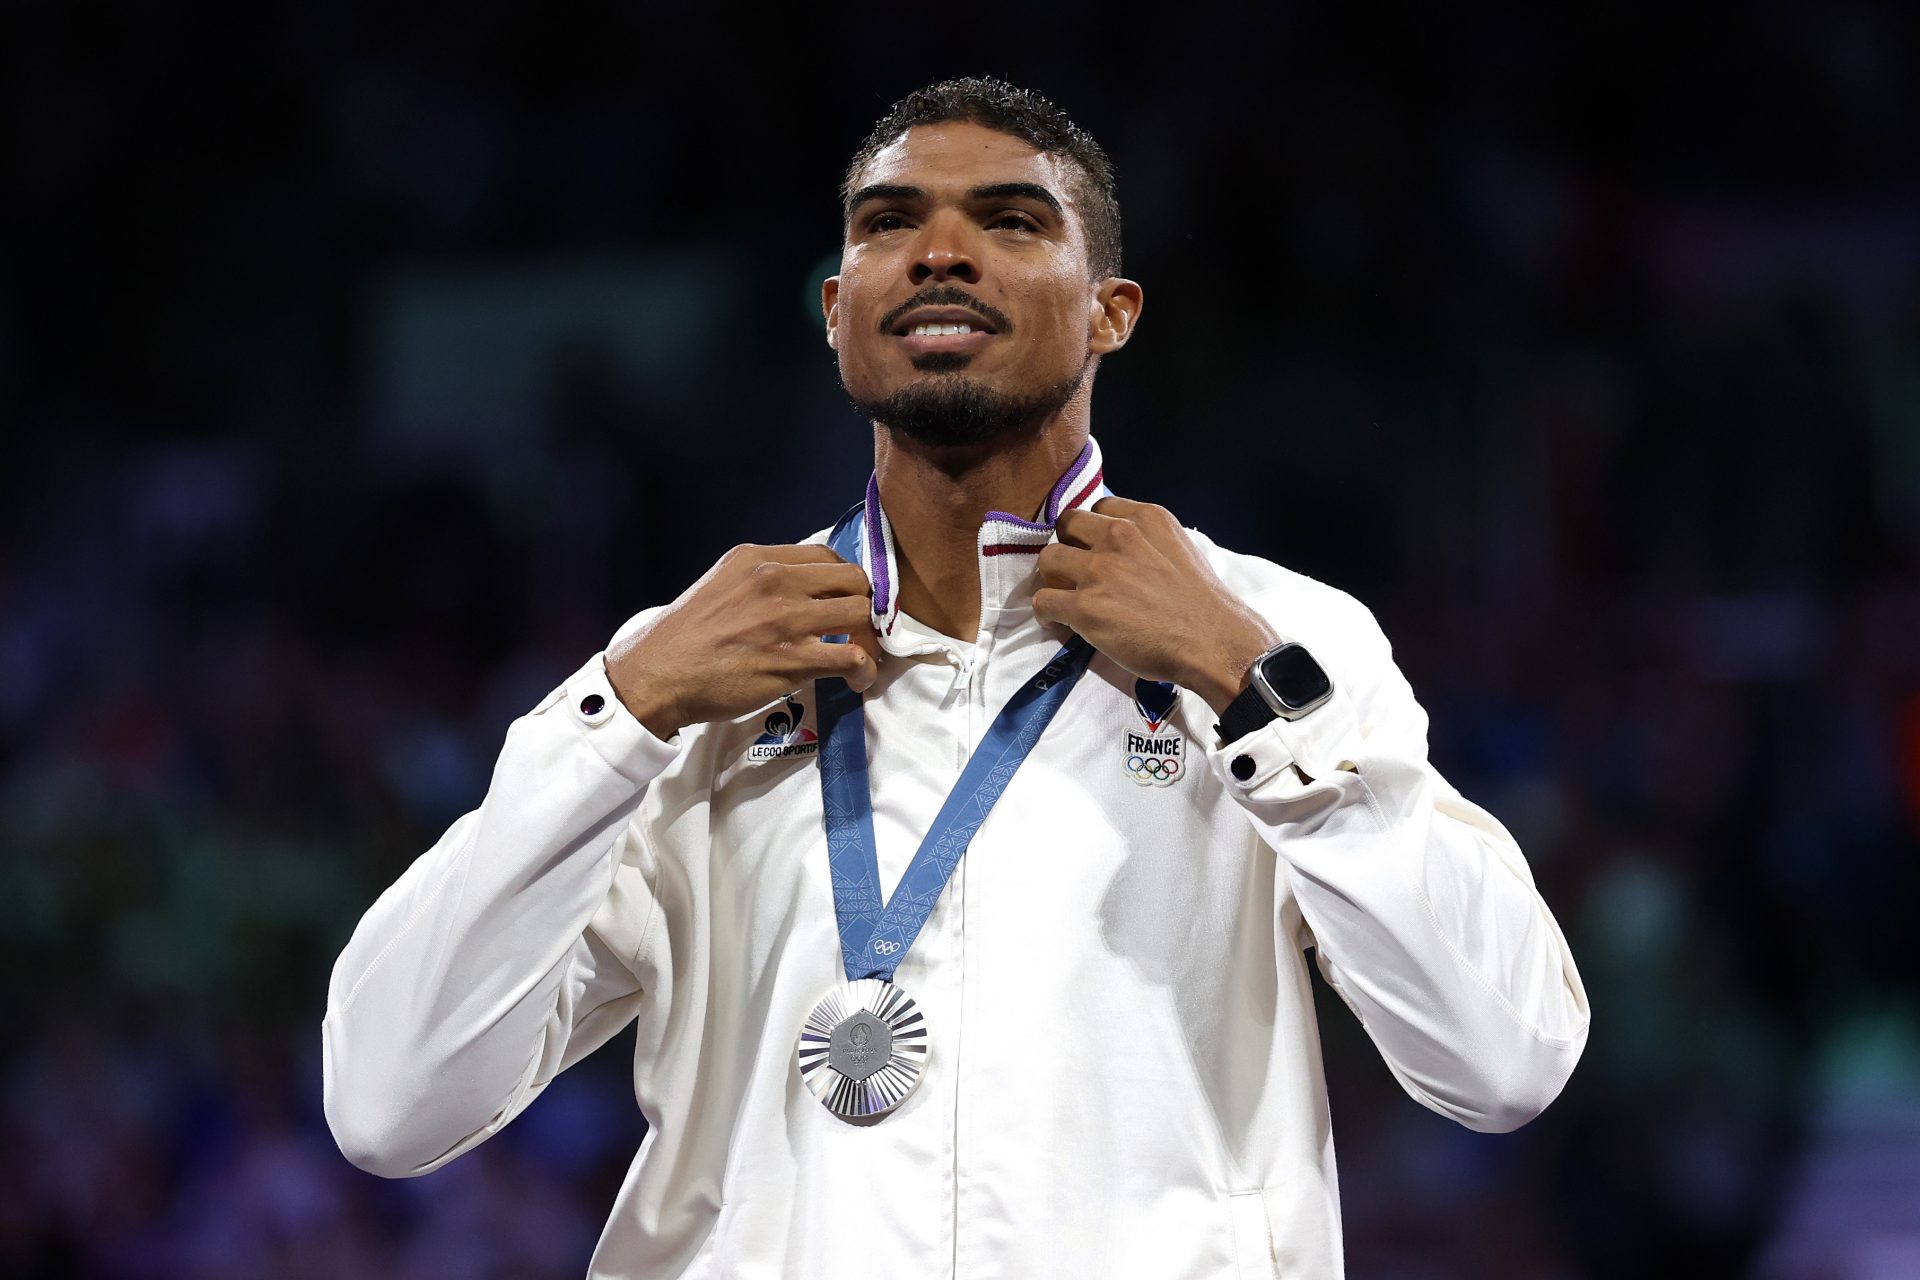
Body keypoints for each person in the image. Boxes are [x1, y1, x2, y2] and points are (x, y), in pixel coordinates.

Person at [322, 77, 1590, 1279]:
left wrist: (1248, 685)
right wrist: (622, 705)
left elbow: (1503, 1057)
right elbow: (386, 1101)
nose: (937, 251)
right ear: (836, 312)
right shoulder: (688, 675)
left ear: (1111, 311)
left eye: (1010, 220)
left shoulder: (1279, 636)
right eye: (888, 224)